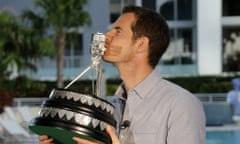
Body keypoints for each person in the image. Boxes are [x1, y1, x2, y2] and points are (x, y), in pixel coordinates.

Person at [39, 5, 206, 144]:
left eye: (118, 31)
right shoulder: (109, 108)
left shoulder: (181, 105)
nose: (107, 36)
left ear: (141, 44)